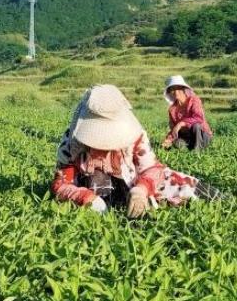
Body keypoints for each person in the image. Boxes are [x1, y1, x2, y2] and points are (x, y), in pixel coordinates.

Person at [51, 84, 215, 217]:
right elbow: (61, 184)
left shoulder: (135, 134)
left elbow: (151, 168)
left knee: (180, 184)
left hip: (130, 179)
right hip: (89, 185)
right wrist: (87, 198)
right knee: (98, 183)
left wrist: (141, 189)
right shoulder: (72, 142)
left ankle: (218, 199)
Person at [162, 75, 212, 151]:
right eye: (172, 89)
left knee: (196, 126)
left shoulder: (194, 100)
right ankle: (190, 150)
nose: (176, 92)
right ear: (170, 92)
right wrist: (168, 140)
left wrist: (181, 123)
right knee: (177, 143)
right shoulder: (172, 109)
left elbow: (198, 118)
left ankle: (197, 152)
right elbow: (174, 129)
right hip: (187, 137)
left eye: (178, 88)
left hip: (202, 136)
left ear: (183, 89)